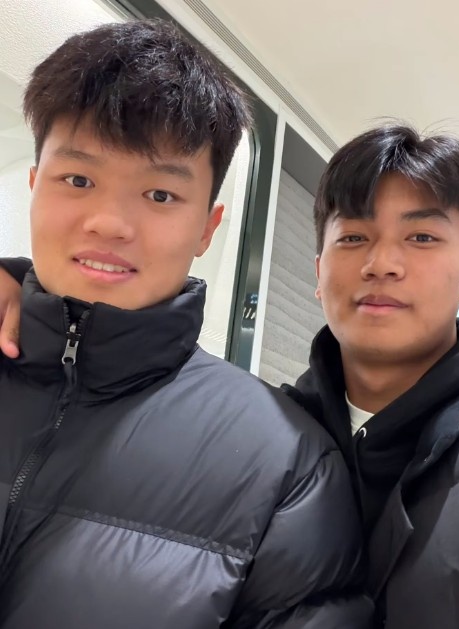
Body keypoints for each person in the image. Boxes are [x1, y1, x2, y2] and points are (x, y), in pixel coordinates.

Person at [0, 17, 373, 629]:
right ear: (36, 185)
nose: (109, 223)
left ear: (208, 228)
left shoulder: (287, 462)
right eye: (78, 179)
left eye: (160, 195)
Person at [279, 125, 459, 629]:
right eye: (353, 237)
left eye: (422, 237)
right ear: (318, 272)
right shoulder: (266, 435)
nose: (382, 264)